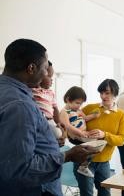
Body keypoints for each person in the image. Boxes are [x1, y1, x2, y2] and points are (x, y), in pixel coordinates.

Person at [0, 39, 96, 196]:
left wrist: (47, 140)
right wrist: (67, 156)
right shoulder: (20, 105)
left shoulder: (8, 92)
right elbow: (20, 168)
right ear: (31, 68)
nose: (47, 74)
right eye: (45, 69)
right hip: (35, 190)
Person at [73, 79, 124, 196]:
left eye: (107, 93)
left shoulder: (121, 115)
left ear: (115, 93)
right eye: (101, 93)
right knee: (87, 194)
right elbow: (73, 121)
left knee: (105, 193)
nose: (103, 96)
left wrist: (104, 135)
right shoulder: (90, 108)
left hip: (104, 163)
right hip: (84, 161)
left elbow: (121, 140)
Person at [59, 86, 100, 178]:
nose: (79, 106)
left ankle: (84, 165)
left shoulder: (78, 110)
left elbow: (85, 118)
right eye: (77, 103)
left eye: (80, 104)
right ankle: (83, 166)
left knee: (96, 144)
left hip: (83, 133)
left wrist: (94, 116)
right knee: (94, 144)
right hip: (75, 136)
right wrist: (81, 133)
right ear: (68, 99)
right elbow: (67, 126)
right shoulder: (64, 112)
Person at [31, 60, 63, 140]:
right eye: (49, 77)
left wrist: (58, 123)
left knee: (58, 133)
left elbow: (55, 109)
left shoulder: (50, 93)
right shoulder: (31, 90)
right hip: (39, 121)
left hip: (50, 120)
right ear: (39, 75)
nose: (51, 80)